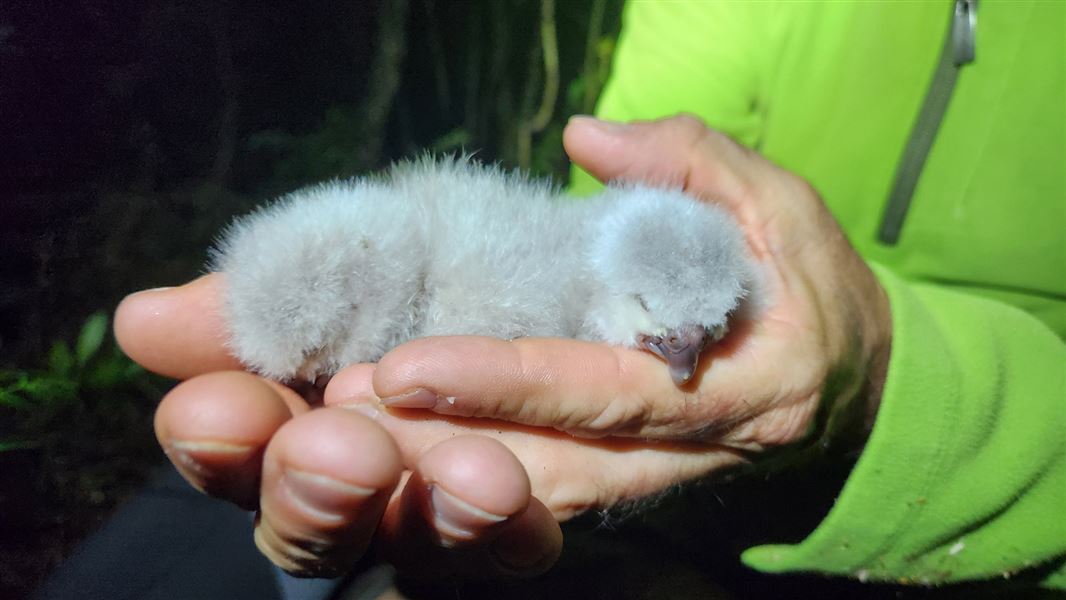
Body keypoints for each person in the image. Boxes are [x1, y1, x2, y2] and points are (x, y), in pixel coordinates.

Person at [113, 0, 1064, 592]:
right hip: (528, 423)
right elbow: (584, 229)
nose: (685, 360)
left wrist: (884, 371)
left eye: (695, 336)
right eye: (669, 333)